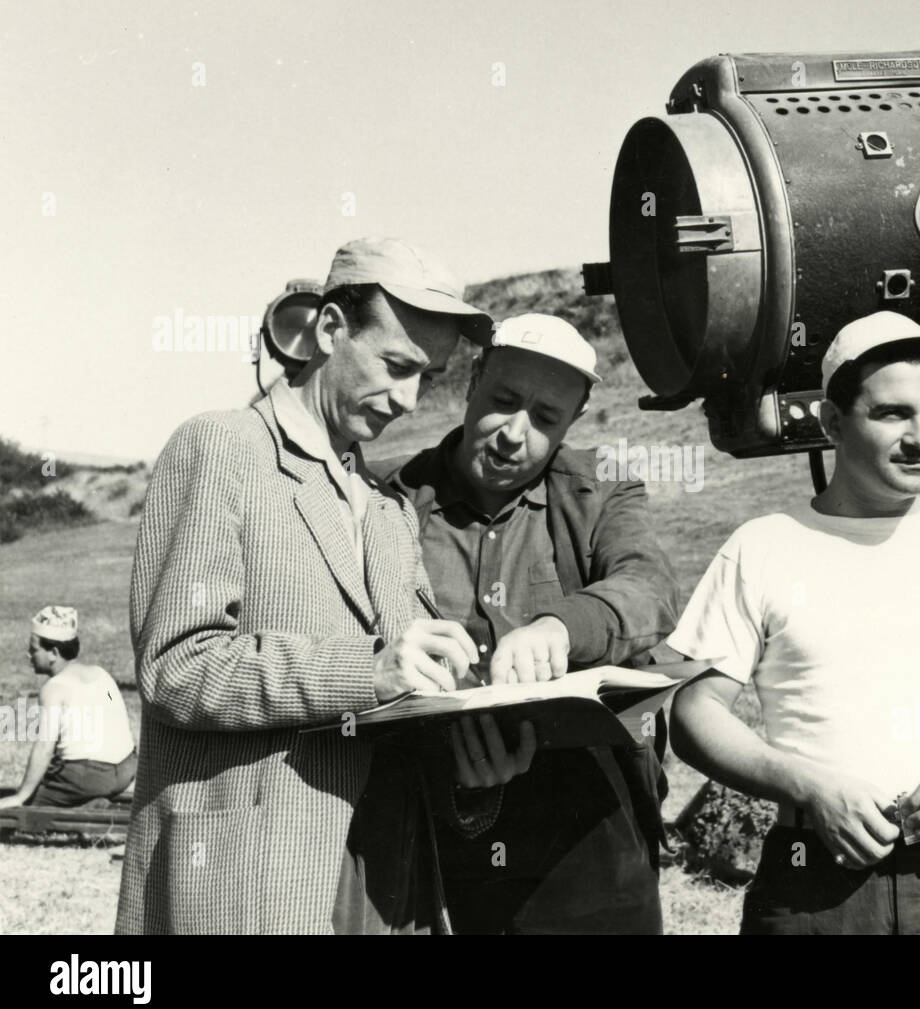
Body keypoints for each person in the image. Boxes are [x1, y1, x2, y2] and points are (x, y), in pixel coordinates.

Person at [116, 238, 534, 935]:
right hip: (252, 879)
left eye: (425, 378)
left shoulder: (388, 509)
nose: (408, 399)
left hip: (388, 883)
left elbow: (398, 710)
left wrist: (473, 767)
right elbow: (175, 667)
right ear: (331, 330)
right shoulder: (222, 449)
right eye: (397, 367)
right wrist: (367, 669)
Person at [667, 311, 920, 935]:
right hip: (815, 881)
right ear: (833, 423)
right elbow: (694, 715)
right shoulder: (765, 547)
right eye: (892, 414)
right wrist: (806, 786)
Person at [335, 313, 679, 934]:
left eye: (546, 419)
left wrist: (560, 629)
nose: (514, 435)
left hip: (592, 834)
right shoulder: (389, 500)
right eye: (503, 401)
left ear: (572, 424)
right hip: (436, 830)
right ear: (470, 386)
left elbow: (649, 589)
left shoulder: (602, 489)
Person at [0, 606, 136, 809]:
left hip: (88, 776)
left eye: (34, 649)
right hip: (126, 769)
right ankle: (92, 801)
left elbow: (44, 749)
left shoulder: (54, 689)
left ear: (53, 653)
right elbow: (112, 707)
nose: (29, 655)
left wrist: (21, 796)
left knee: (31, 805)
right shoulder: (101, 674)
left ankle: (87, 803)